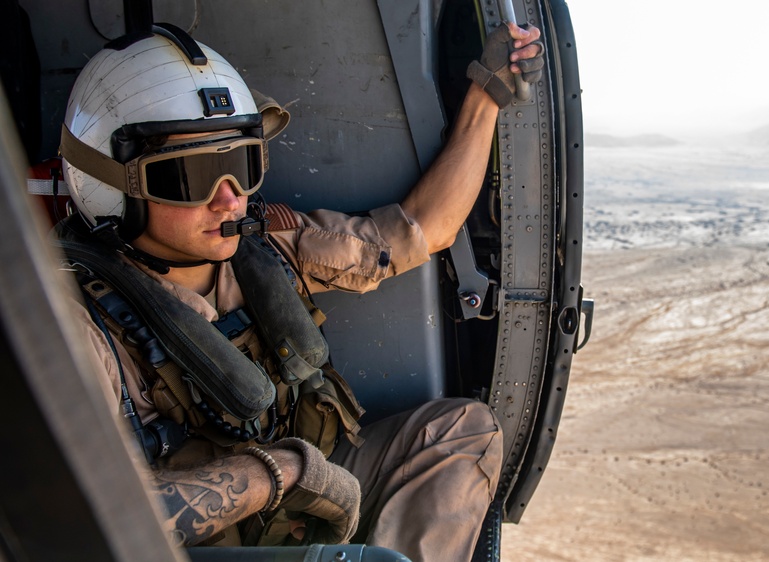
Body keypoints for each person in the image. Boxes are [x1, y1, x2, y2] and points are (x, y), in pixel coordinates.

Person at [53, 19, 544, 562]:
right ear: (111, 185)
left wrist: (487, 96)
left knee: (461, 431)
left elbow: (425, 228)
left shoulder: (266, 255)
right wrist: (274, 473)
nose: (231, 200)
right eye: (191, 176)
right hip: (202, 548)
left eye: (242, 164)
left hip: (304, 504)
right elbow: (68, 525)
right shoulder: (71, 327)